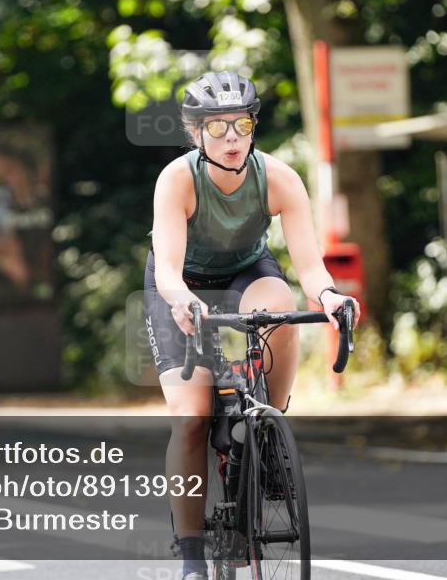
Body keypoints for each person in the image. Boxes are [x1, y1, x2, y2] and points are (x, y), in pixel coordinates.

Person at [144, 70, 360, 580]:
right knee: (192, 419)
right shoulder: (177, 179)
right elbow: (171, 272)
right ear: (195, 133)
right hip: (181, 283)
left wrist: (328, 296)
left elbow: (310, 267)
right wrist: (182, 302)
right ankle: (192, 555)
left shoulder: (279, 177)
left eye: (241, 124)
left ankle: (267, 426)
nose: (232, 139)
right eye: (216, 129)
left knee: (281, 311)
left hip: (246, 270)